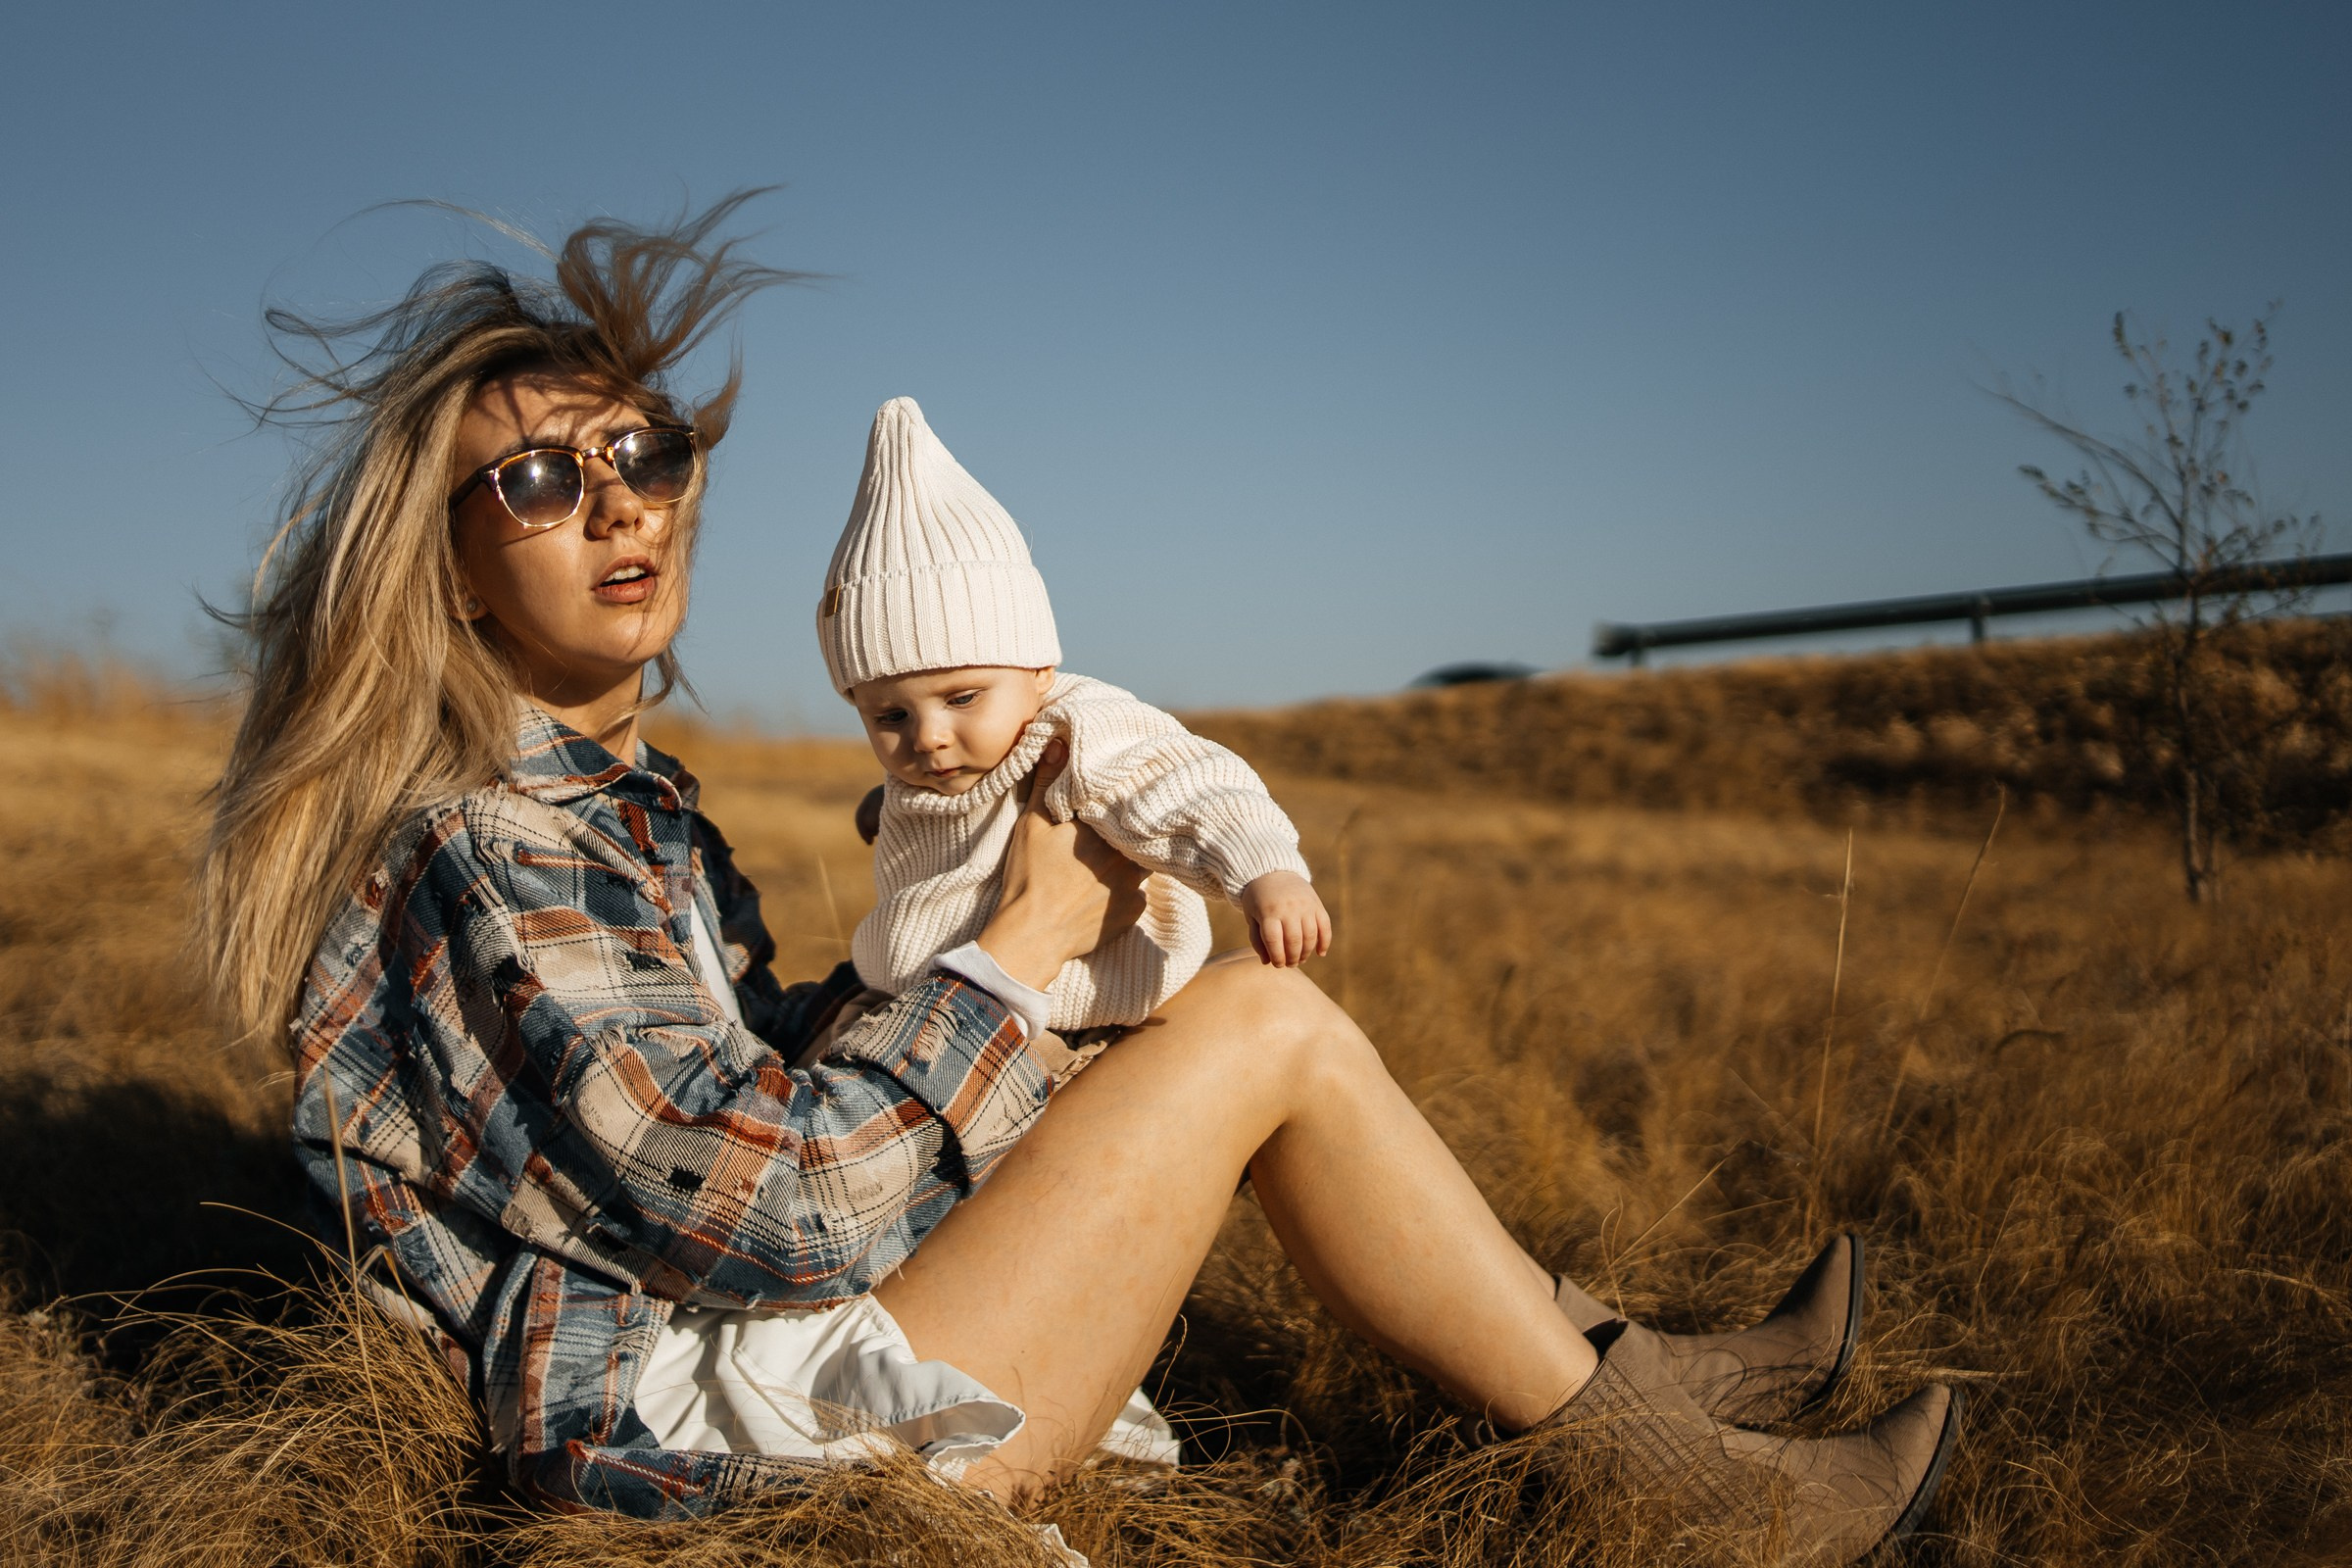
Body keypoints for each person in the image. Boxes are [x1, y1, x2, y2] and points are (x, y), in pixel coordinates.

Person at [196, 199, 1959, 1561]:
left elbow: (753, 1095)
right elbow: (775, 1216)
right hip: (686, 1437)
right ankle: (1697, 1496)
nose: (619, 503)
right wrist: (1019, 948)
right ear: (447, 571)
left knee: (1187, 1034)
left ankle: (1653, 1388)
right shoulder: (490, 840)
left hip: (738, 1351)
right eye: (534, 480)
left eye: (639, 451)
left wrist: (1038, 1008)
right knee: (1258, 1029)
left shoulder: (633, 811)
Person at [821, 395, 1329, 1063]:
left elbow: (1190, 784)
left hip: (1072, 1024)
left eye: (963, 697)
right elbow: (943, 816)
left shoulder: (1076, 728)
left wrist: (1265, 872)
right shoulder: (937, 766)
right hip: (934, 1006)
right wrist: (884, 810)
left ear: (1038, 668)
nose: (928, 737)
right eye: (890, 716)